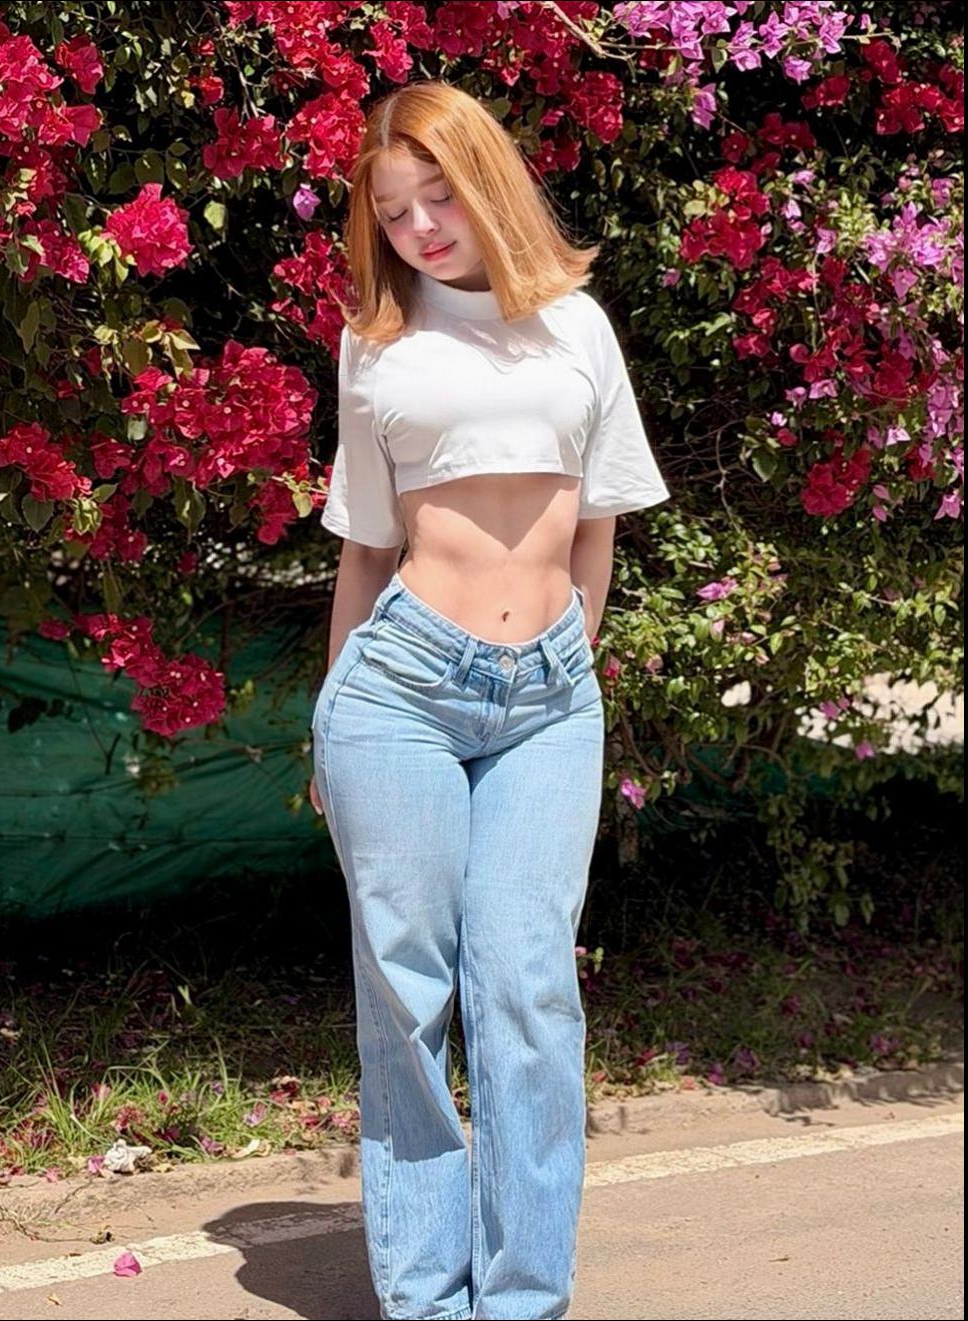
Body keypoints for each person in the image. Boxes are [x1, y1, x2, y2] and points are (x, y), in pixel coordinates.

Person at [308, 79, 670, 1321]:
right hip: (397, 693)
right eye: (392, 210)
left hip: (547, 697)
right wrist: (328, 718)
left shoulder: (577, 327)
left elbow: (598, 525)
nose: (418, 227)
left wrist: (569, 666)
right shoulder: (377, 342)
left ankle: (521, 1299)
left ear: (487, 180)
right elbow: (365, 544)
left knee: (525, 986)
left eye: (438, 194)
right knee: (405, 993)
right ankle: (425, 1296)